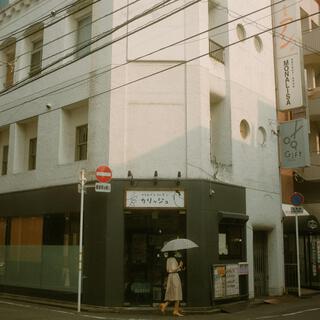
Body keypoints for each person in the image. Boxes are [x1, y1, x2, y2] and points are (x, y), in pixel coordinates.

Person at [159, 251, 184, 316]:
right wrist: (179, 266)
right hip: (175, 276)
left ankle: (164, 305)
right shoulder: (173, 259)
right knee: (177, 293)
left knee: (171, 294)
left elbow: (168, 270)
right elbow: (173, 269)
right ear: (173, 253)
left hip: (170, 276)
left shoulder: (168, 259)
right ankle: (175, 311)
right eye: (175, 252)